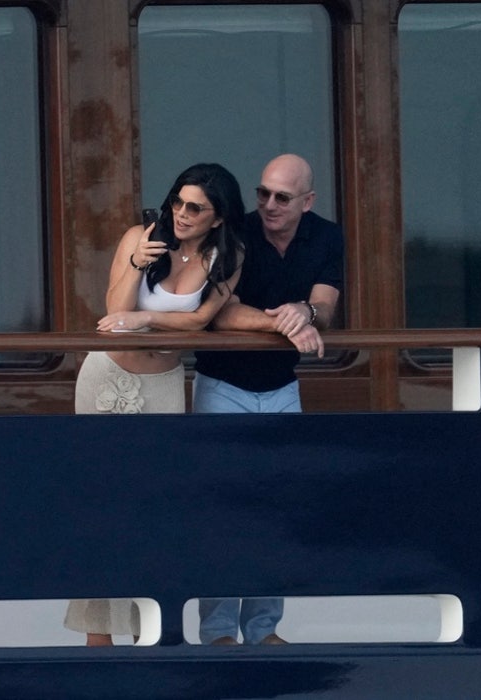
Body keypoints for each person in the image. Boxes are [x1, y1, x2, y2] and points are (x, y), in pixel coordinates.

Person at [65, 163, 245, 645]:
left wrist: (148, 322)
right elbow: (114, 312)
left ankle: (151, 632)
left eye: (195, 208)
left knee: (154, 509)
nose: (181, 214)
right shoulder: (138, 237)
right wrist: (136, 266)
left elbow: (202, 321)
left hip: (163, 384)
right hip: (105, 378)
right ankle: (98, 641)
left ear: (219, 218)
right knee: (104, 507)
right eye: (177, 203)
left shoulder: (227, 256)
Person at [192, 153, 344, 645]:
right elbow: (219, 313)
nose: (269, 205)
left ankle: (263, 629)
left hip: (283, 389)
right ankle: (217, 631)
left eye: (282, 197)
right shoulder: (236, 232)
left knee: (276, 512)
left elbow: (324, 306)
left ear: (308, 201)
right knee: (223, 513)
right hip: (222, 387)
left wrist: (306, 311)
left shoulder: (325, 235)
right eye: (263, 193)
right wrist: (287, 322)